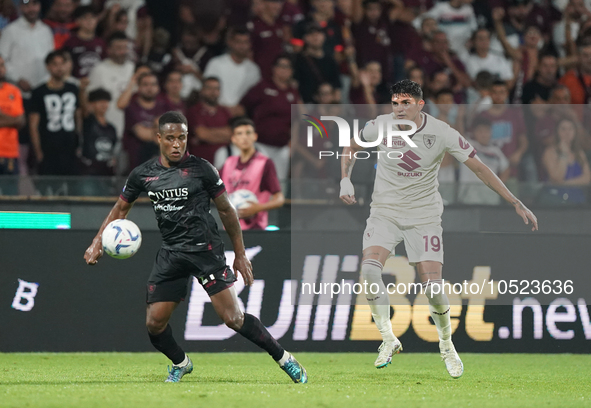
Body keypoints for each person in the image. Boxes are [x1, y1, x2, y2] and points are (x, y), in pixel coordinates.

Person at [83, 111, 307, 384]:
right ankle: (181, 363)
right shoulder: (143, 174)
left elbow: (227, 211)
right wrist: (97, 242)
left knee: (233, 319)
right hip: (171, 253)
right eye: (170, 138)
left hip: (206, 252)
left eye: (181, 138)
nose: (177, 144)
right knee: (154, 324)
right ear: (159, 139)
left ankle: (286, 359)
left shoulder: (202, 169)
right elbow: (120, 208)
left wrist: (240, 254)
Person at [339, 79, 538, 377]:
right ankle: (388, 338)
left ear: (420, 105)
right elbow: (351, 146)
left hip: (424, 216)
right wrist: (345, 178)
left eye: (405, 103)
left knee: (433, 286)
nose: (399, 109)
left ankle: (446, 345)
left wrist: (514, 201)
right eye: (395, 103)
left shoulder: (442, 132)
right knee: (369, 270)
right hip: (385, 213)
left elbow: (480, 168)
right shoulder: (380, 125)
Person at [220, 117, 285, 230]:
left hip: (255, 229)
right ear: (234, 139)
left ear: (255, 136)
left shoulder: (265, 163)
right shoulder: (228, 163)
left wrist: (257, 208)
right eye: (239, 134)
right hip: (230, 229)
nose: (244, 137)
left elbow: (279, 199)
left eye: (248, 133)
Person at [29, 50, 81, 176]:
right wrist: (38, 152)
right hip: (48, 148)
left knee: (71, 189)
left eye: (62, 64)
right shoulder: (39, 92)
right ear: (48, 67)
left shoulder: (73, 88)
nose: (59, 68)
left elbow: (78, 118)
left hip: (69, 148)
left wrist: (79, 143)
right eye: (55, 64)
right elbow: (33, 125)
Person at [0, 0, 54, 97]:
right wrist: (17, 78)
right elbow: (2, 60)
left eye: (34, 4)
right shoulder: (10, 31)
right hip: (18, 91)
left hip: (43, 89)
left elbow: (51, 59)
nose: (31, 9)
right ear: (20, 7)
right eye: (27, 5)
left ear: (39, 6)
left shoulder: (46, 30)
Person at [87, 31, 135, 139]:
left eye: (125, 47)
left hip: (131, 130)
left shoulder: (132, 68)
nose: (123, 51)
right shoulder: (99, 70)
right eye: (118, 48)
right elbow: (90, 103)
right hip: (107, 130)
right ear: (109, 50)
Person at [203, 26, 261, 114]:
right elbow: (206, 90)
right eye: (238, 42)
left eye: (245, 42)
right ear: (231, 43)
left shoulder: (254, 70)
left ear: (250, 44)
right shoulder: (216, 63)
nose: (242, 46)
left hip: (241, 114)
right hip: (216, 111)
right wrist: (224, 109)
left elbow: (254, 96)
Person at [121, 71, 167, 169]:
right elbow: (142, 134)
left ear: (158, 88)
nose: (149, 88)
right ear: (139, 87)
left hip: (159, 167)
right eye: (145, 84)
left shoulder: (163, 107)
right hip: (136, 165)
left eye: (153, 84)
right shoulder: (131, 108)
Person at [541, 117, 591, 204]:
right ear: (557, 131)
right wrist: (563, 155)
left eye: (570, 129)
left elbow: (587, 177)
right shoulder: (550, 152)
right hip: (556, 199)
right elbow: (556, 178)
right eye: (563, 129)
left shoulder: (579, 152)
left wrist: (566, 183)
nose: (567, 132)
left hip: (578, 199)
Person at [187, 76, 232, 164]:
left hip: (224, 163)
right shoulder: (194, 111)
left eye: (216, 89)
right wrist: (224, 136)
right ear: (202, 90)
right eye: (209, 88)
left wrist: (209, 134)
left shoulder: (225, 112)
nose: (213, 92)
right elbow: (202, 134)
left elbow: (232, 134)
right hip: (200, 164)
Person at [0, 55, 25, 191]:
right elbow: (14, 119)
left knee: (11, 197)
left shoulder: (13, 91)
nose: (1, 69)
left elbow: (20, 121)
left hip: (9, 152)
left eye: (2, 65)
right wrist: (10, 119)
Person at [80, 88, 118, 176]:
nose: (103, 105)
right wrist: (82, 89)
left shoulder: (111, 128)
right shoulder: (88, 122)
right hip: (89, 170)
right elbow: (83, 108)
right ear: (91, 104)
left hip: (107, 171)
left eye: (106, 101)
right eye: (99, 101)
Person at [62, 6, 106, 80]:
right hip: (76, 83)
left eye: (92, 18)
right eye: (85, 18)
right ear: (77, 21)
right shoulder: (70, 43)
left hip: (97, 83)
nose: (89, 21)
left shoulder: (101, 43)